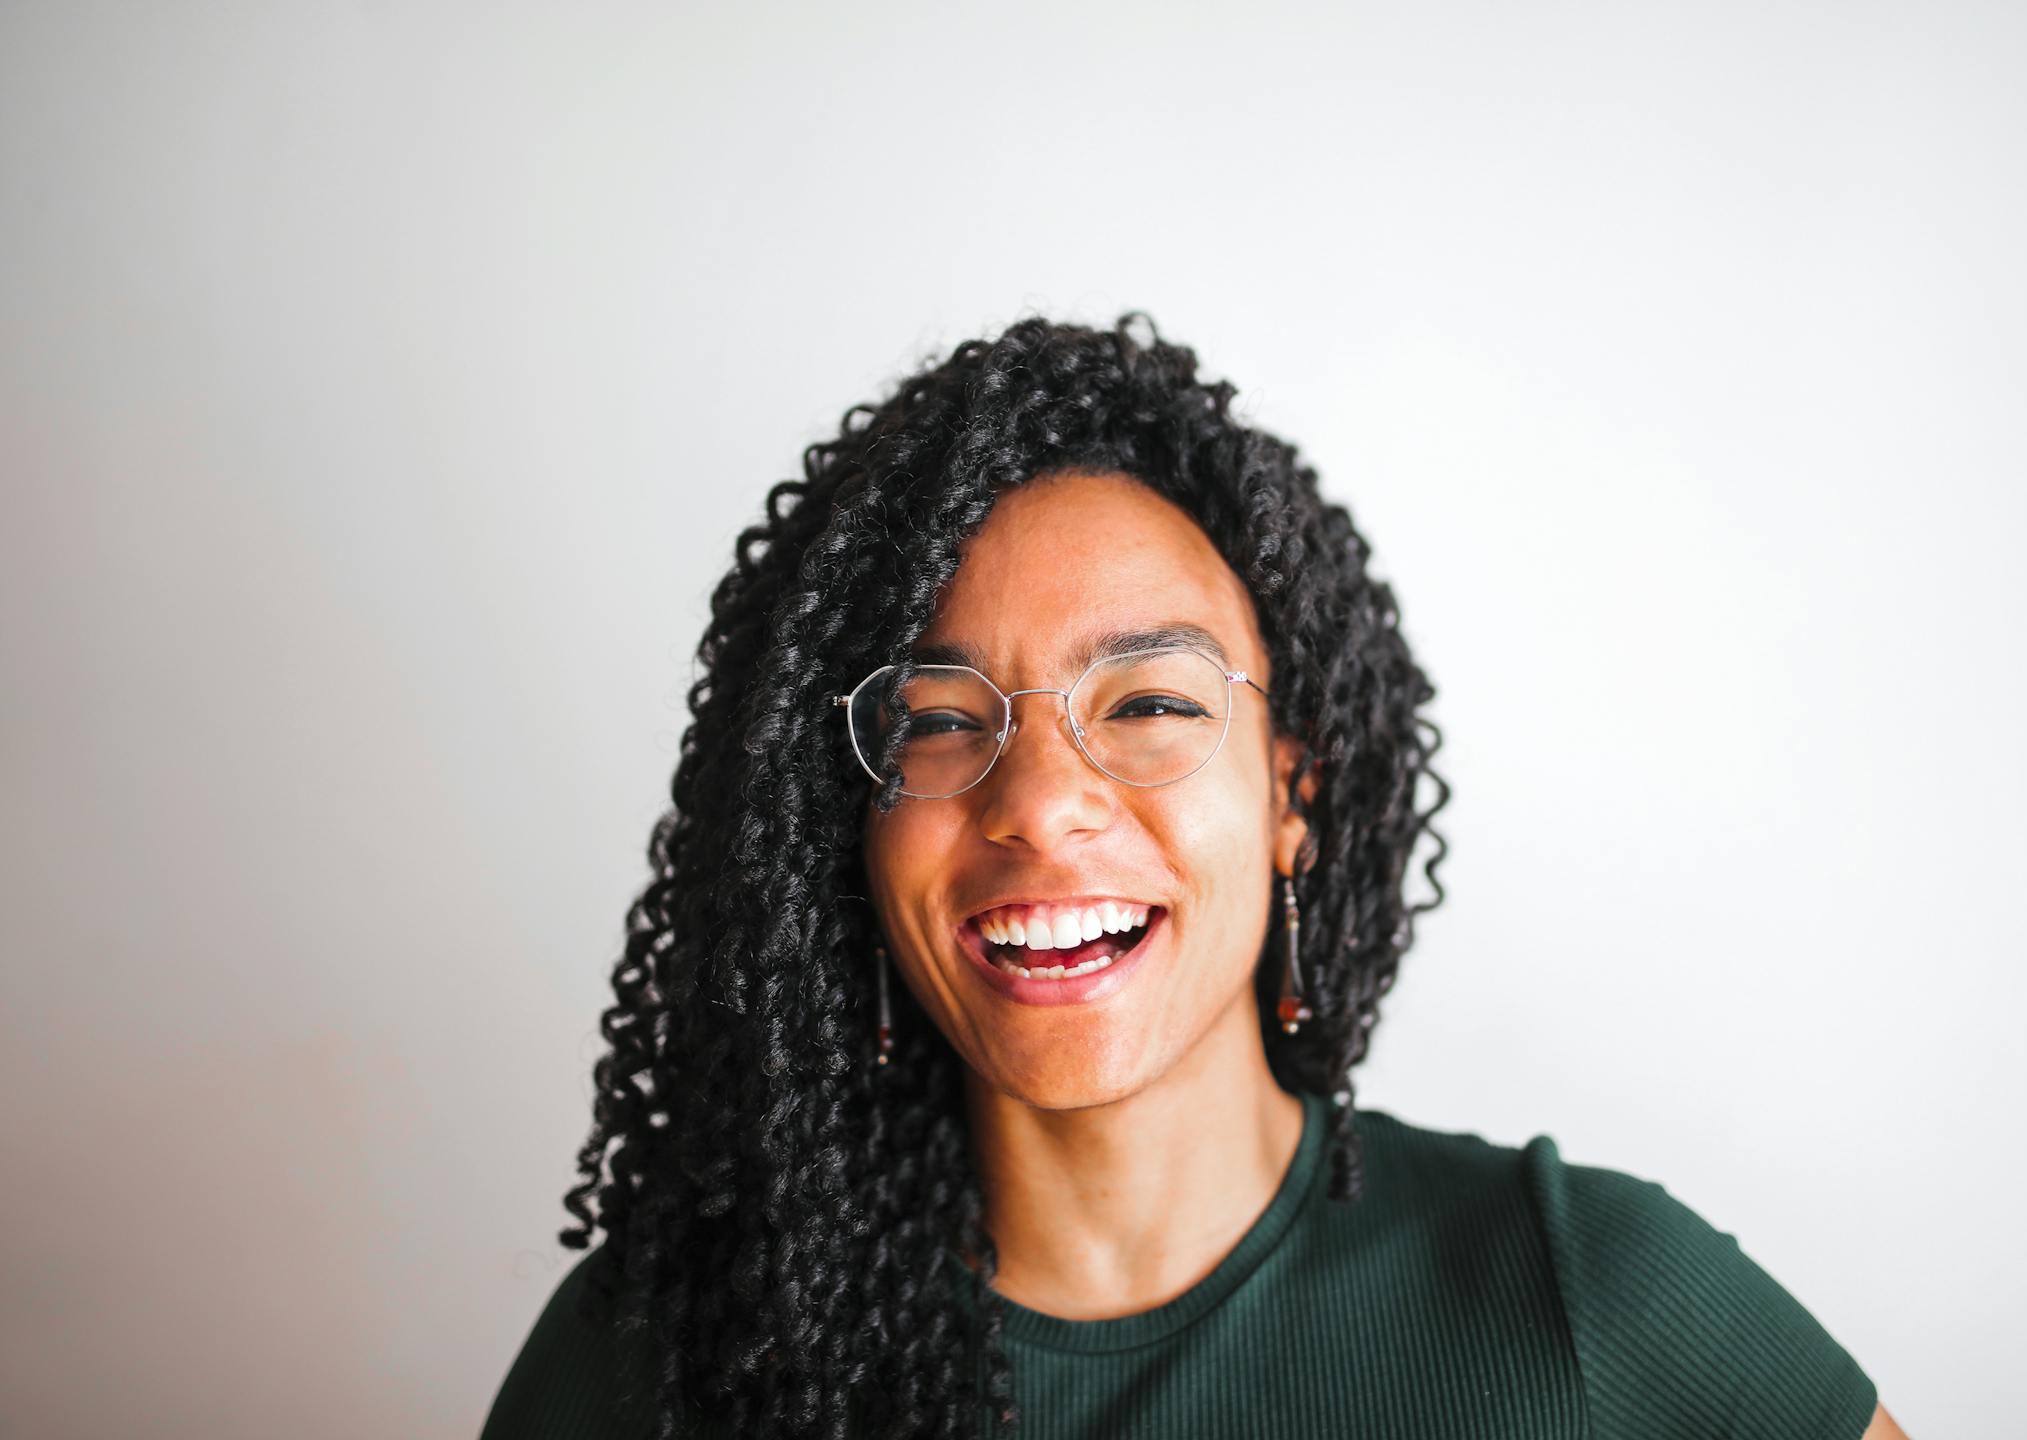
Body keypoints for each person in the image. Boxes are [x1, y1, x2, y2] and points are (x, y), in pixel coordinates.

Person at [479, 314, 1908, 1440]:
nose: (1040, 807)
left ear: (1294, 790)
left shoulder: (1595, 1303)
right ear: (840, 829)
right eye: (937, 721)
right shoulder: (648, 1371)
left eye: (1151, 704)